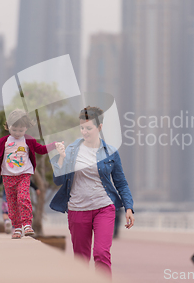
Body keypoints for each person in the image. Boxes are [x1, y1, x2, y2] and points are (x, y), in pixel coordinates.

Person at [49, 106, 135, 277]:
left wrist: (128, 207)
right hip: (78, 210)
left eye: (89, 128)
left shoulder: (110, 152)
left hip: (104, 208)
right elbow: (58, 180)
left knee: (101, 253)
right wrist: (60, 157)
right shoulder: (71, 150)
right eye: (82, 127)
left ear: (100, 127)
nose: (85, 131)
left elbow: (121, 183)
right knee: (81, 259)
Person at [0, 109, 61, 239]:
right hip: (8, 176)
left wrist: (54, 145)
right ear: (8, 126)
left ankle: (27, 224)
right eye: (14, 130)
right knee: (12, 204)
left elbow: (40, 149)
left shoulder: (28, 140)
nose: (17, 133)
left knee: (23, 198)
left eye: (21, 130)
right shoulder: (3, 141)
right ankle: (17, 228)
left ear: (26, 128)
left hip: (23, 174)